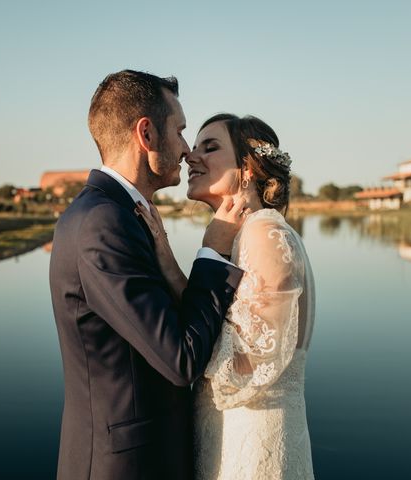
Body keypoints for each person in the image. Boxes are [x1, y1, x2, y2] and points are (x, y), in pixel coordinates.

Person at [49, 70, 246, 480]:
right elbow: (180, 358)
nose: (186, 150)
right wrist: (213, 251)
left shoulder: (117, 213)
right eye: (179, 131)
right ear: (147, 134)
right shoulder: (104, 223)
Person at [138, 114, 316, 479]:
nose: (191, 156)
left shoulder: (264, 235)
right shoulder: (242, 235)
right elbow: (223, 329)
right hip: (229, 434)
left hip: (254, 444)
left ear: (247, 168)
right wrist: (169, 263)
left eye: (211, 147)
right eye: (196, 145)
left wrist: (170, 353)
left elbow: (249, 362)